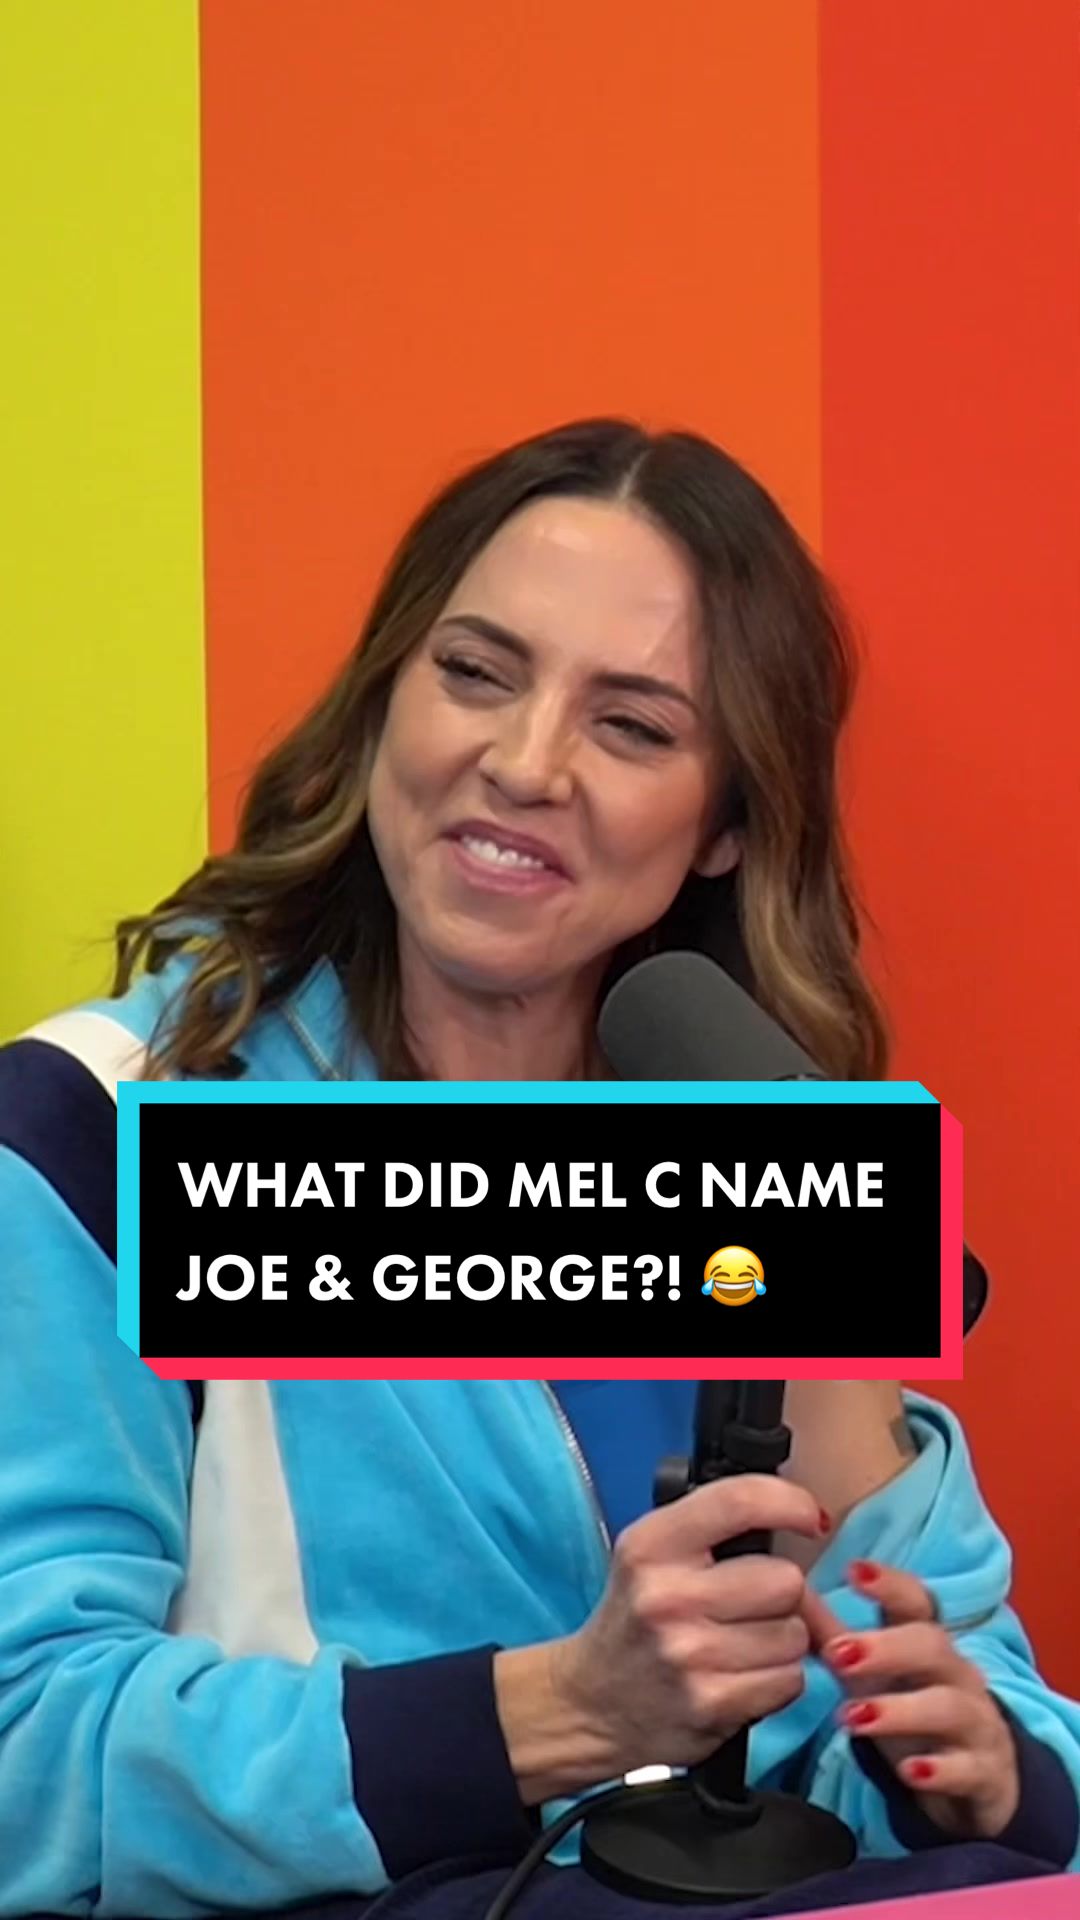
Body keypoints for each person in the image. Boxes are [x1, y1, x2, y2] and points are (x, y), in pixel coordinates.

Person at [1, 418, 1077, 1920]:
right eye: (476, 672)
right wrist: (553, 1711)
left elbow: (965, 1690)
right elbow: (24, 1761)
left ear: (725, 826)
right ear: (384, 698)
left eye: (631, 727)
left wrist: (975, 1765)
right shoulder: (96, 1127)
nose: (521, 764)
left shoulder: (774, 1152)